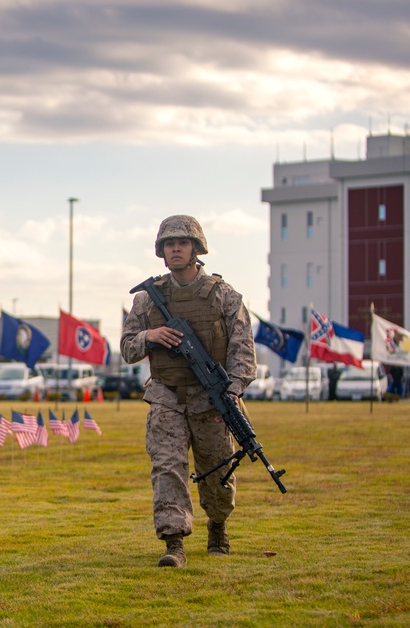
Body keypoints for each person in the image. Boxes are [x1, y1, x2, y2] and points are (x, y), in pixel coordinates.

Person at [120, 215, 256, 568]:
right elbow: (127, 348)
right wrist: (149, 337)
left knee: (217, 468)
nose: (176, 249)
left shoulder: (224, 295)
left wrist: (234, 390)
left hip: (211, 398)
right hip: (166, 395)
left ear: (196, 249)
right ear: (161, 252)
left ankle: (218, 524)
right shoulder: (148, 301)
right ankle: (174, 541)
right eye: (169, 244)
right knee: (168, 467)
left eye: (182, 243)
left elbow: (243, 351)